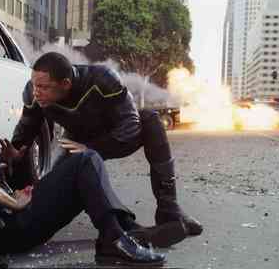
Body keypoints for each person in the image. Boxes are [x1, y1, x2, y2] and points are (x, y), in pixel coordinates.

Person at [0, 67, 166, 266]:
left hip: (13, 216)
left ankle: (122, 231)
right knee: (85, 160)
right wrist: (12, 203)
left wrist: (11, 168)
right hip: (4, 228)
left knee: (84, 166)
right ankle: (115, 239)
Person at [12, 52, 203, 238]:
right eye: (35, 85)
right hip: (76, 144)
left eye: (44, 87)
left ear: (66, 84)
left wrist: (93, 149)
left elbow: (131, 125)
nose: (37, 92)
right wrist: (14, 151)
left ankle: (169, 210)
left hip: (115, 138)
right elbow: (25, 131)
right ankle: (124, 225)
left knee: (151, 121)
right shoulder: (34, 92)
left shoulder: (102, 78)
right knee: (57, 193)